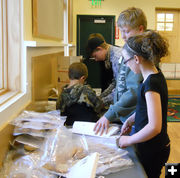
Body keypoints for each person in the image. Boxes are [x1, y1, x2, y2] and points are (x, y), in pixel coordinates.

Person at [118, 30, 170, 178]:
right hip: (150, 146)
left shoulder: (151, 84)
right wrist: (131, 119)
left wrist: (129, 139)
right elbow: (147, 109)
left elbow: (154, 127)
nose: (127, 66)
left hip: (154, 149)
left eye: (126, 61)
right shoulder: (154, 75)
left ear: (136, 59)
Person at [93, 7, 146, 135]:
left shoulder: (140, 55)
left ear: (140, 29)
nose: (122, 36)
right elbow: (119, 82)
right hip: (124, 117)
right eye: (121, 31)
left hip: (135, 118)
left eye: (126, 31)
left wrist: (110, 114)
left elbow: (133, 91)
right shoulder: (127, 49)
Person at [86, 33, 121, 106]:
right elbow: (115, 82)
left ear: (99, 49)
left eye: (95, 56)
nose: (96, 60)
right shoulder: (110, 55)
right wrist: (101, 97)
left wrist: (102, 102)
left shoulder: (116, 58)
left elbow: (120, 89)